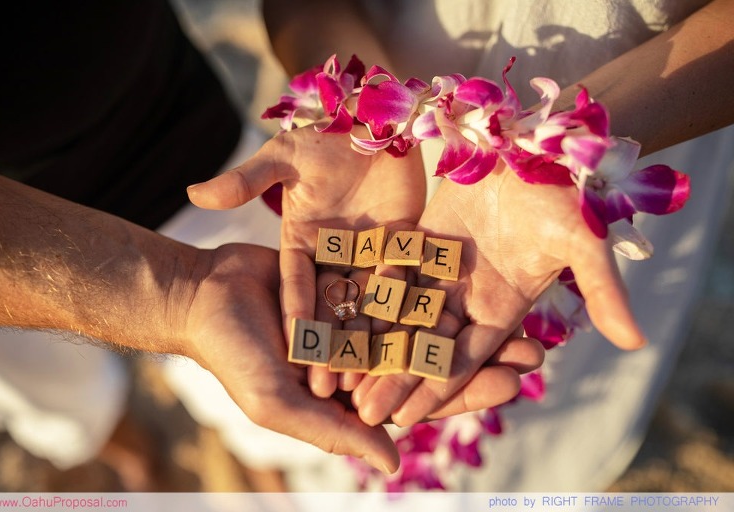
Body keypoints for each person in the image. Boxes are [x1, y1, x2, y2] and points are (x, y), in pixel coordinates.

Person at [0, 0, 543, 489]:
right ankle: (108, 439)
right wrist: (175, 297)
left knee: (276, 377)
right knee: (41, 388)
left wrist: (352, 112)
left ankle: (240, 452)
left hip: (191, 139)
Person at [182, 0, 734, 491]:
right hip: (389, 135)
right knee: (356, 392)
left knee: (527, 374)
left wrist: (560, 152)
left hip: (614, 148)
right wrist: (354, 113)